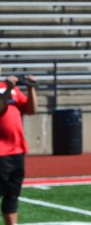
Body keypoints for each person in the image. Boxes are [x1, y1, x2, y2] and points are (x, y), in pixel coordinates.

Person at [0, 64, 38, 225]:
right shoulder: (8, 89)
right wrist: (8, 90)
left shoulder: (11, 88)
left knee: (12, 194)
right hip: (0, 152)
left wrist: (31, 89)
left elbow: (31, 109)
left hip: (17, 149)